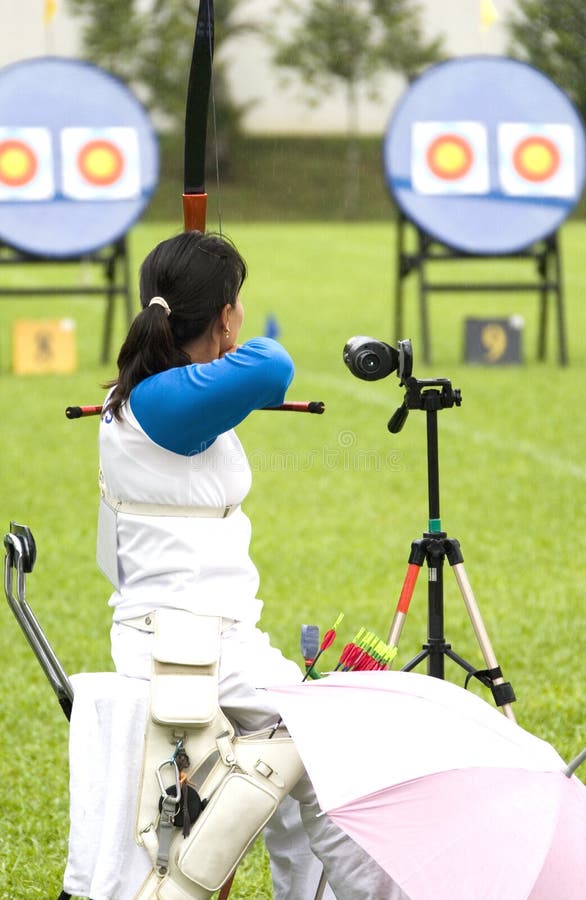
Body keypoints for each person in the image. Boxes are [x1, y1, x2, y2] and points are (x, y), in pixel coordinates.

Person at [97, 230, 409, 900]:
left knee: (298, 770)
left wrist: (214, 365)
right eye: (235, 305)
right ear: (225, 314)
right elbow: (271, 365)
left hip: (207, 636)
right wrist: (232, 356)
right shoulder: (163, 402)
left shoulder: (153, 390)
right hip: (188, 645)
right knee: (329, 757)